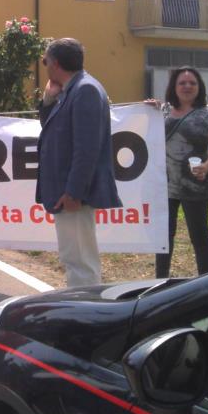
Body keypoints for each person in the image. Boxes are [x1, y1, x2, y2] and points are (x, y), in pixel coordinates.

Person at [36, 38, 123, 288]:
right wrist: (48, 99)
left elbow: (87, 148)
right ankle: (83, 307)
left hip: (73, 194)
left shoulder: (85, 90)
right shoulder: (71, 90)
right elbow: (51, 127)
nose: (45, 67)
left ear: (55, 63)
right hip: (66, 190)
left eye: (45, 61)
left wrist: (74, 191)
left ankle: (86, 314)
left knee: (80, 259)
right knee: (73, 255)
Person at [149, 67, 208, 278]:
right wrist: (148, 110)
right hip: (164, 182)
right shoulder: (163, 110)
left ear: (199, 86)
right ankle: (161, 280)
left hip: (195, 182)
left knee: (199, 234)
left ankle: (205, 280)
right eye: (182, 83)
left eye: (192, 83)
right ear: (174, 87)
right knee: (164, 236)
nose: (187, 86)